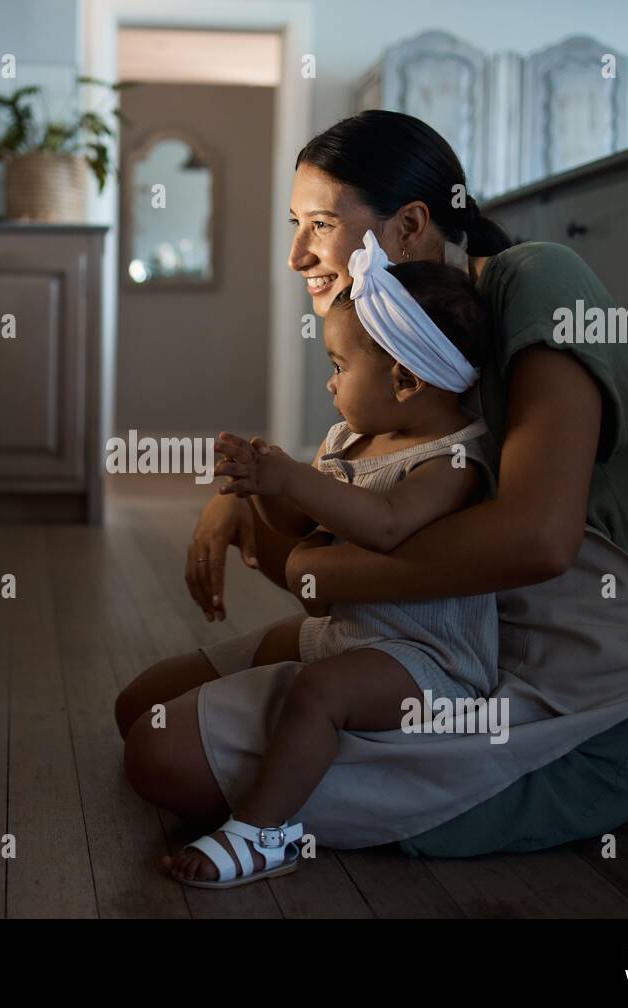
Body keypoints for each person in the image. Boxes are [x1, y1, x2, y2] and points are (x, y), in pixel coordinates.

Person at [116, 110, 628, 867]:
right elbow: (345, 485)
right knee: (140, 708)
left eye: (320, 223)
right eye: (296, 224)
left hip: (555, 695)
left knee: (158, 754)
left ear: (411, 224)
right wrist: (243, 491)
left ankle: (272, 825)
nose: (297, 254)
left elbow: (538, 537)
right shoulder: (396, 345)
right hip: (400, 633)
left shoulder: (538, 278)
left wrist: (312, 572)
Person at [167, 232, 499, 887]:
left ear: (403, 379)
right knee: (282, 663)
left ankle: (266, 833)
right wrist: (259, 488)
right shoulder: (352, 436)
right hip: (354, 634)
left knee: (320, 691)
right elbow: (299, 522)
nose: (329, 380)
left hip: (432, 665)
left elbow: (384, 523)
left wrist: (293, 478)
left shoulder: (453, 459)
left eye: (339, 365)